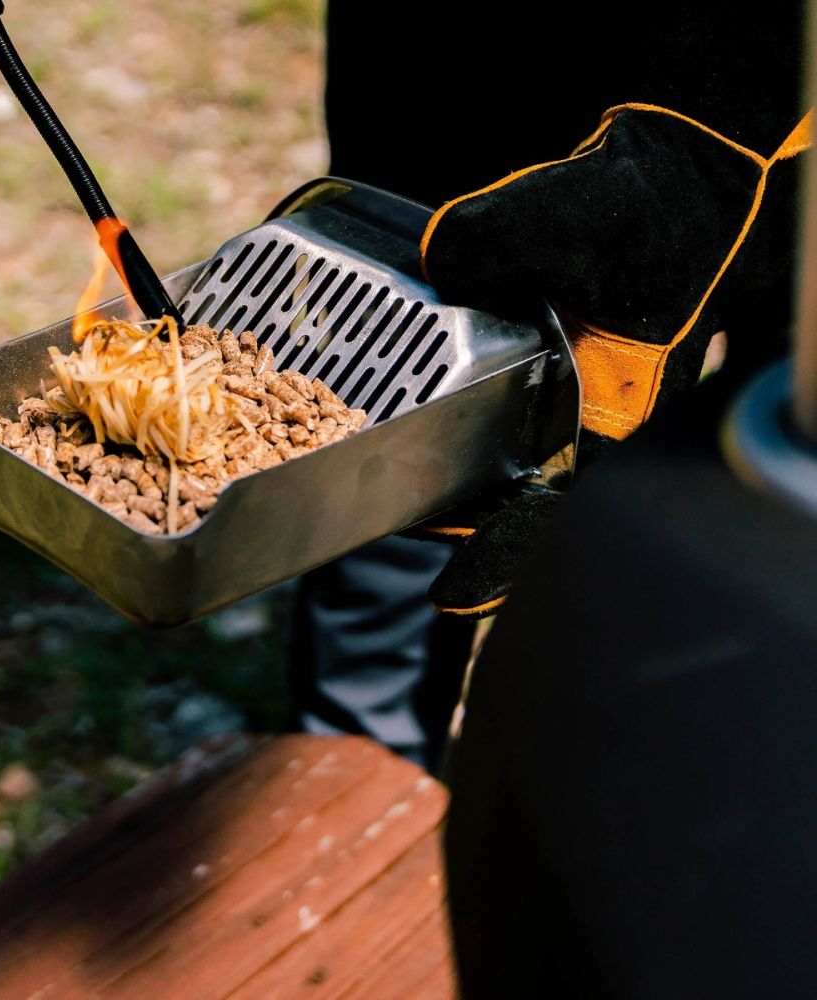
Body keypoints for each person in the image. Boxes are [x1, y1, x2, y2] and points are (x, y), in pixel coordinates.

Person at [305, 1, 814, 995]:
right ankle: (347, 812)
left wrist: (728, 91)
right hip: (452, 59)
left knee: (752, 477)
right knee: (410, 367)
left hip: (773, 72)